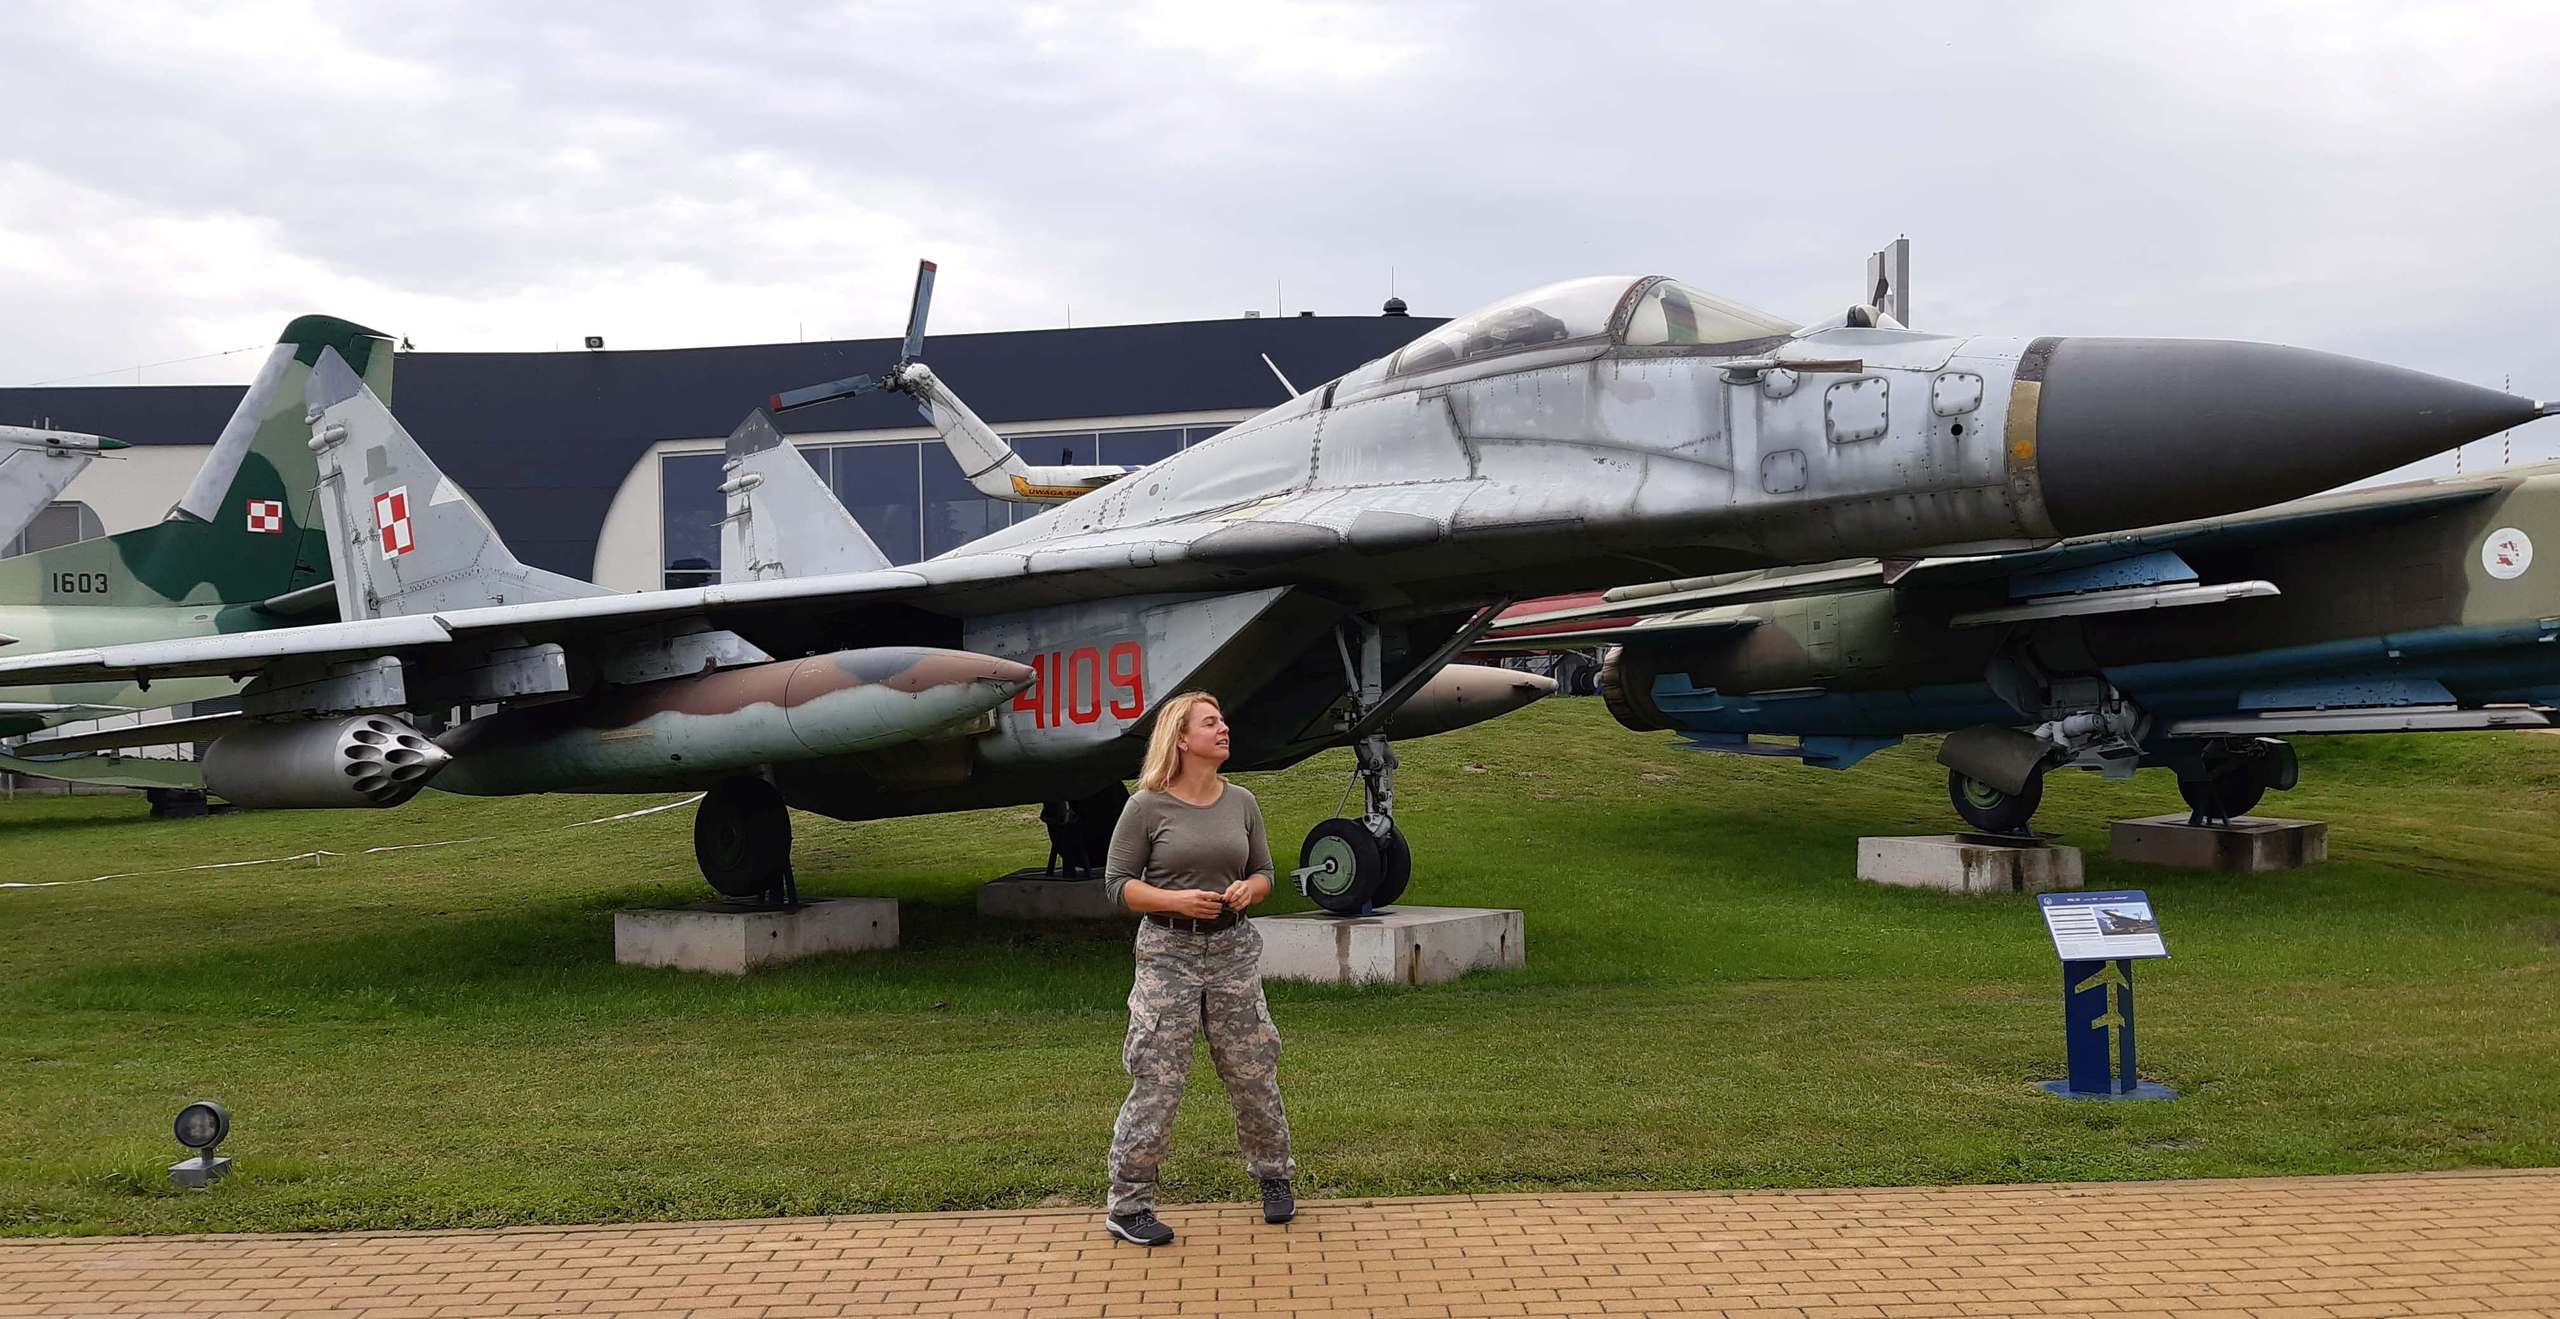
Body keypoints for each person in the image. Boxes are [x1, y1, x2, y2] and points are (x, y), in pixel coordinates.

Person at [1099, 690, 1295, 1246]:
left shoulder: (1243, 802)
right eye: (1210, 723)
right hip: (1168, 956)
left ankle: (1275, 1177)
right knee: (1158, 1079)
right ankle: (1129, 1205)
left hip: (1233, 952)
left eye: (1222, 721)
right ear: (1181, 739)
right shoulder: (1146, 807)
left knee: (1253, 1071)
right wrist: (1176, 902)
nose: (1223, 728)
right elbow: (1117, 886)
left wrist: (1249, 889)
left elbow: (1265, 872)